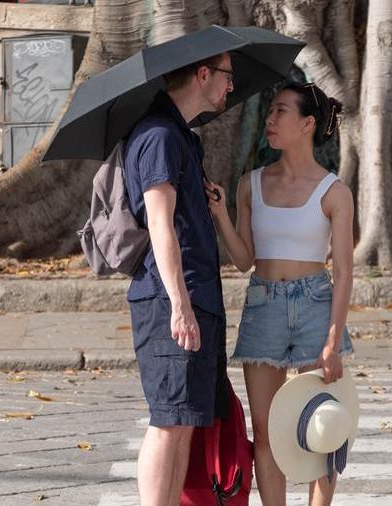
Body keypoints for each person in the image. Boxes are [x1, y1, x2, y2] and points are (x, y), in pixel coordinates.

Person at [205, 82, 355, 506]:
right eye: (270, 111)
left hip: (315, 303)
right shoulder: (249, 184)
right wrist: (220, 216)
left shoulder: (335, 192)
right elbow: (244, 259)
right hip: (263, 305)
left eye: (281, 112)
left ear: (307, 124)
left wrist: (332, 340)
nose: (270, 120)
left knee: (320, 424)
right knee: (266, 430)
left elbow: (343, 271)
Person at [123, 52, 234, 506]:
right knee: (168, 421)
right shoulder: (159, 136)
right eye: (228, 77)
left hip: (195, 295)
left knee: (185, 419)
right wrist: (180, 304)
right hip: (172, 299)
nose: (231, 87)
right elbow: (159, 224)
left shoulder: (182, 138)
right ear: (202, 73)